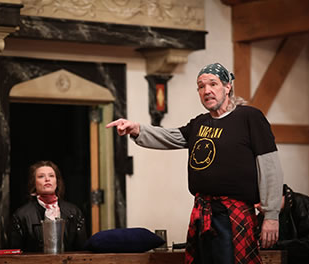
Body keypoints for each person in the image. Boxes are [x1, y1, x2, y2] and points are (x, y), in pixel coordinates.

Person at [106, 62, 283, 264]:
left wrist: (271, 215)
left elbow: (270, 167)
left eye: (213, 84)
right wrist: (136, 128)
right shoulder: (199, 123)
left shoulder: (249, 117)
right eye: (201, 86)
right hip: (202, 212)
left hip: (234, 214)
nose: (206, 90)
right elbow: (170, 136)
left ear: (228, 87)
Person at [10, 160, 87, 252]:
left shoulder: (74, 212)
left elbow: (82, 250)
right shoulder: (21, 215)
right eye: (41, 176)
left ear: (57, 181)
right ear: (34, 182)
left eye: (51, 176)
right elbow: (14, 253)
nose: (47, 179)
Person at [256, 184, 309, 264]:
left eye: (260, 201)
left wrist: (274, 245)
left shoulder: (304, 206)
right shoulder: (265, 215)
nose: (256, 206)